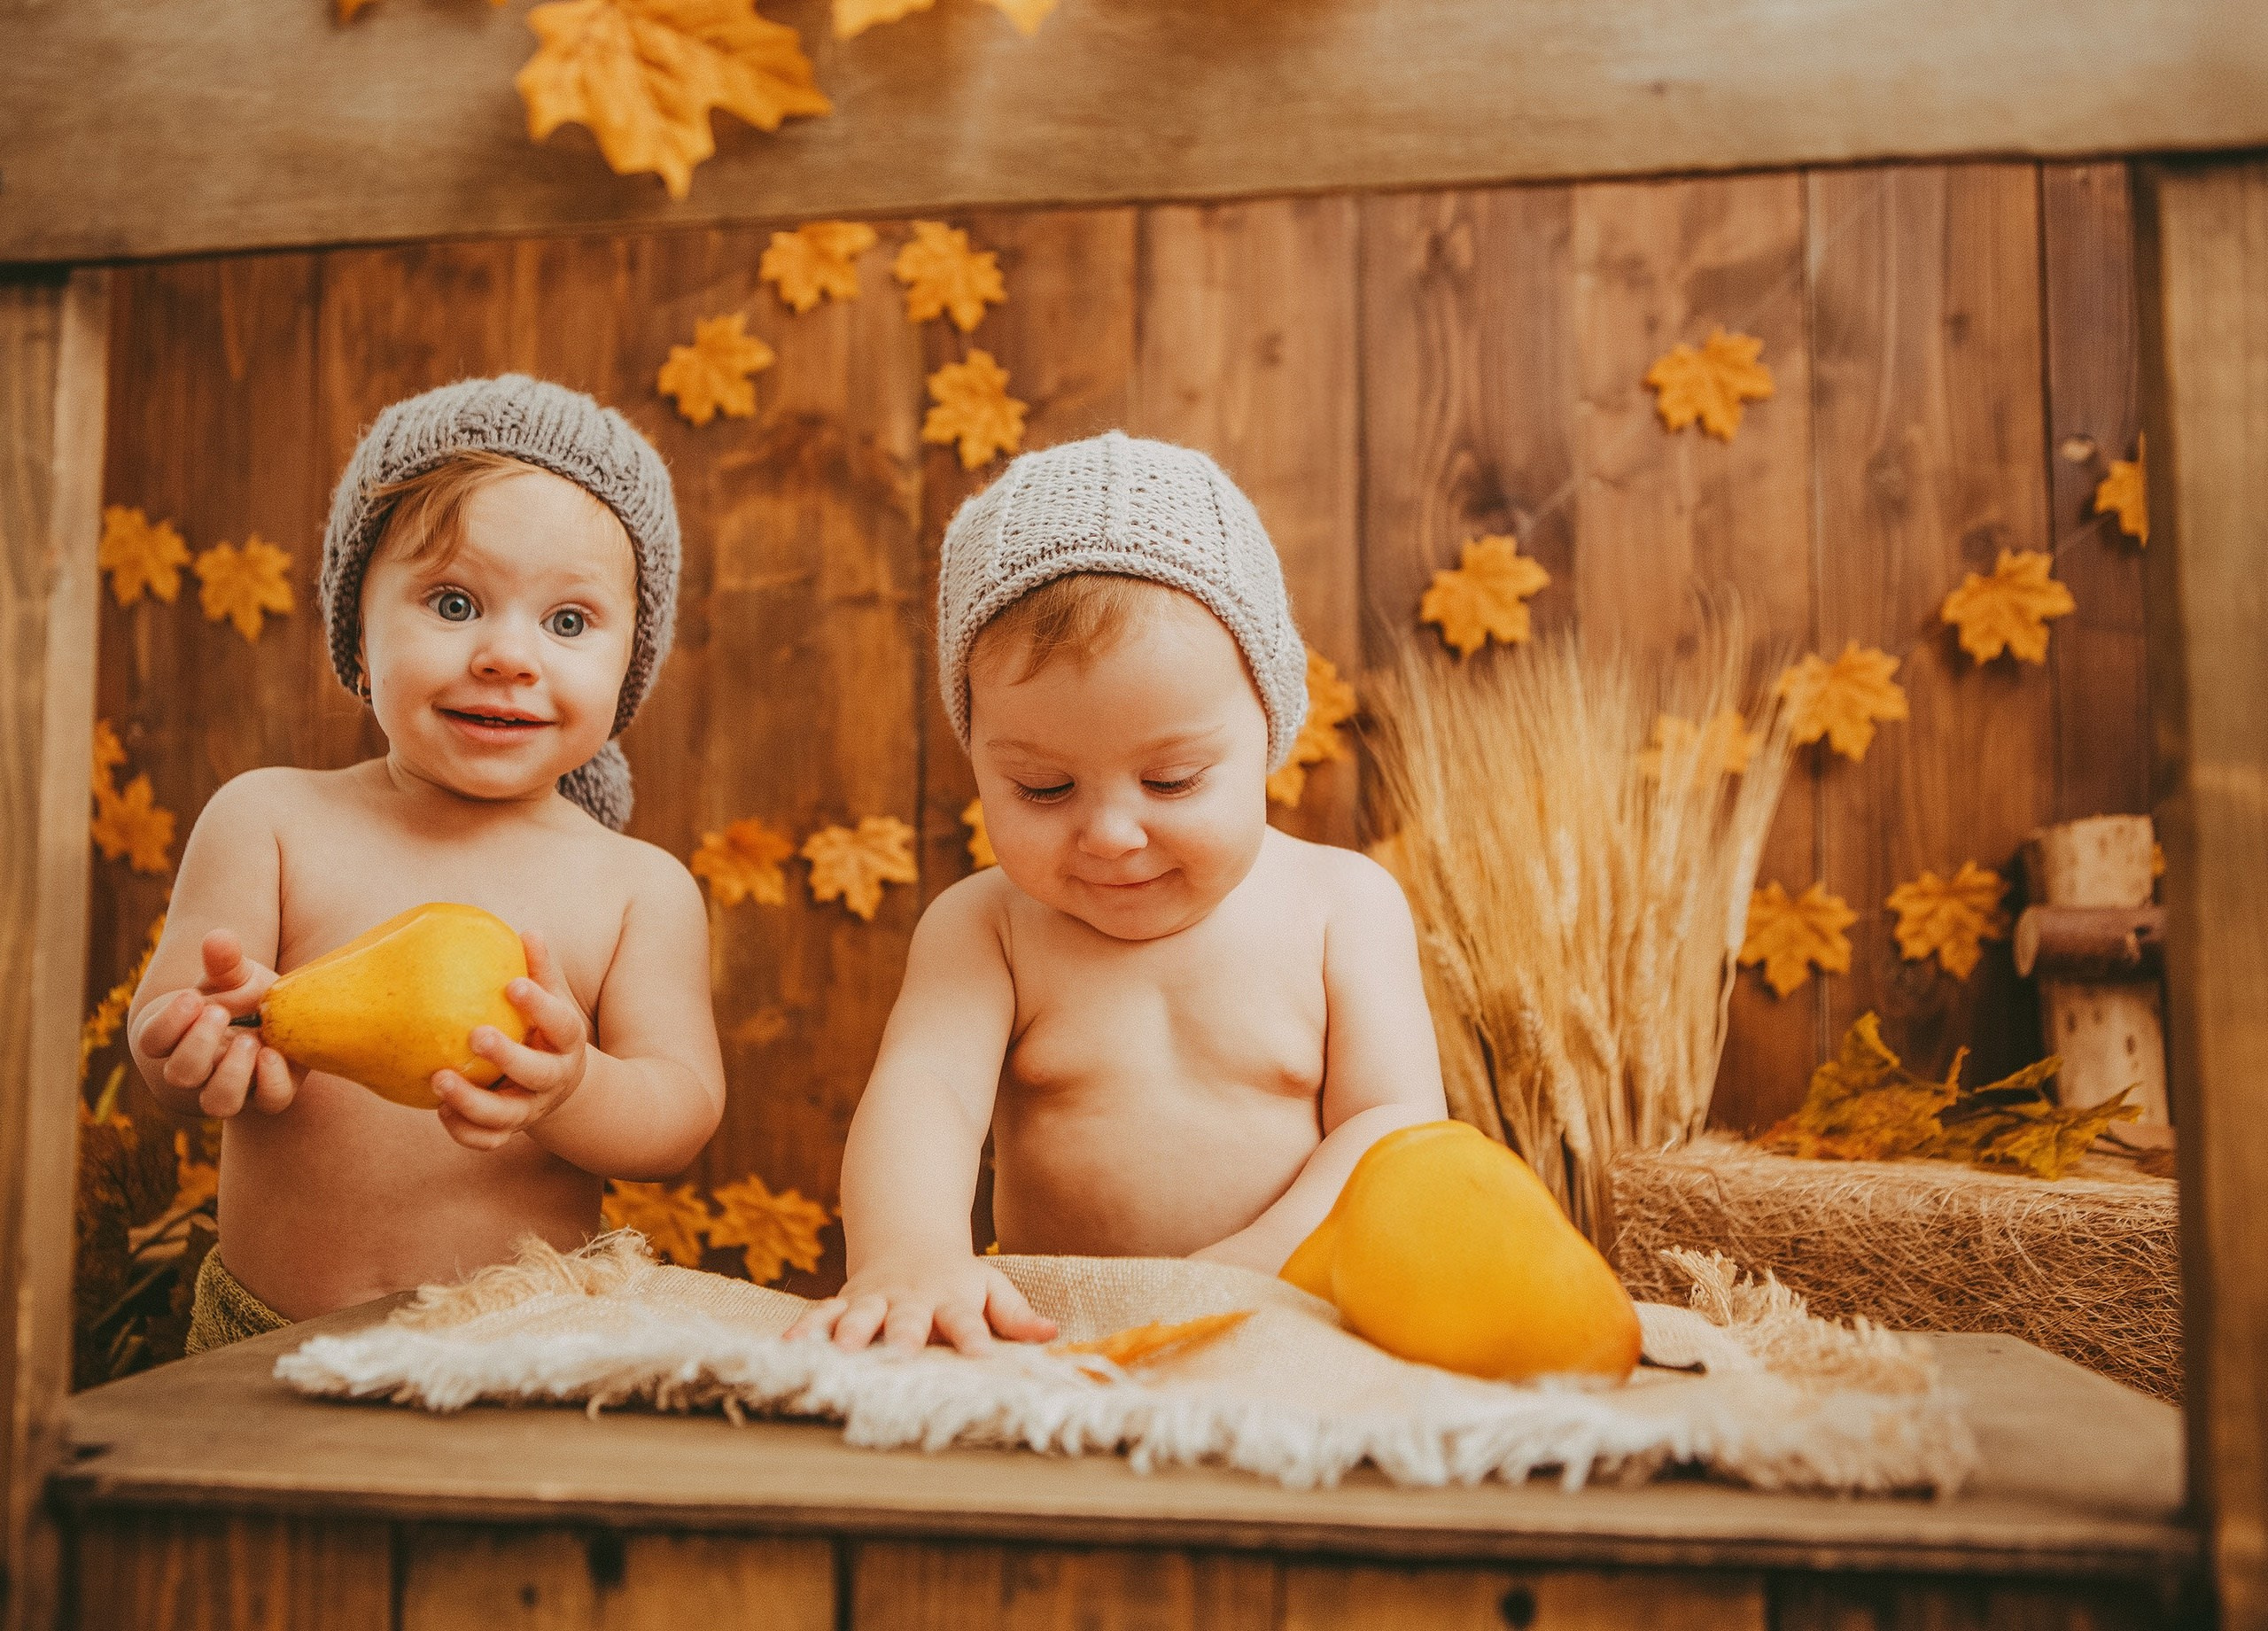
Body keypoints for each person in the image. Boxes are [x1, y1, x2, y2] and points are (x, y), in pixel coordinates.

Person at [794, 431, 1448, 1355]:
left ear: (1268, 730)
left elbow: (1397, 1124)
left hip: (1296, 1312)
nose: (1109, 833)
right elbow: (926, 1091)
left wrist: (1247, 1266)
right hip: (1061, 1332)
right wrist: (909, 1250)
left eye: (1173, 779)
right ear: (976, 756)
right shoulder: (987, 927)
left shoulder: (1340, 903)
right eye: (1043, 788)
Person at [128, 375, 726, 1351]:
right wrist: (194, 1047)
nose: (506, 654)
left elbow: (680, 1115)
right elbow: (168, 1039)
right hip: (265, 1337)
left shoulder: (635, 887)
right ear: (357, 635)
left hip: (527, 1345)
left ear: (629, 669)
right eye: (452, 601)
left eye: (567, 622)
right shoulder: (270, 820)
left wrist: (572, 1087)